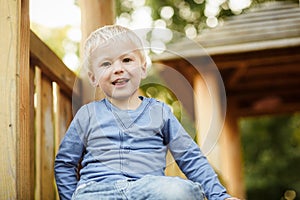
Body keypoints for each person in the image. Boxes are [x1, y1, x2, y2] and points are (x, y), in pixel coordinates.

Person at [54, 25, 240, 200]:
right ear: (93, 77)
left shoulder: (160, 112)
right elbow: (65, 163)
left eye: (126, 60)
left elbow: (190, 156)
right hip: (98, 190)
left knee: (181, 190)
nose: (118, 69)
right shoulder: (87, 114)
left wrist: (219, 196)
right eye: (106, 63)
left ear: (143, 69)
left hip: (149, 190)